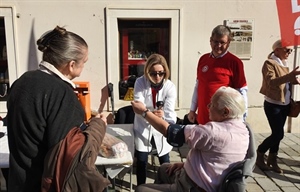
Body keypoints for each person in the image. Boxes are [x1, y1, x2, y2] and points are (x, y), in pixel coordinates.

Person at [6, 26, 107, 191]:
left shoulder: (22, 81)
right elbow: (73, 157)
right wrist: (98, 125)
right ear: (72, 65)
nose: (84, 66)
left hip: (18, 183)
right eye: (84, 62)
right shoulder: (61, 94)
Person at [131, 86, 250, 192]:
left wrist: (144, 112)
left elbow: (170, 131)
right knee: (163, 168)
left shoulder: (212, 132)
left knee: (141, 189)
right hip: (207, 179)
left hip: (192, 187)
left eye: (212, 104)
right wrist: (185, 165)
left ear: (225, 111)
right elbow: (219, 159)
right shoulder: (244, 130)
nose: (208, 107)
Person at [188, 24, 248, 125]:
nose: (218, 45)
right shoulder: (203, 59)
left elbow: (242, 91)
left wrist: (242, 116)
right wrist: (192, 110)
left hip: (222, 119)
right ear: (210, 40)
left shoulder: (235, 62)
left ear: (228, 43)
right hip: (203, 116)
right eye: (216, 41)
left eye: (222, 42)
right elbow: (198, 86)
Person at [256, 39, 300, 173]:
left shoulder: (284, 63)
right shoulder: (269, 63)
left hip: (284, 104)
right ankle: (260, 152)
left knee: (278, 134)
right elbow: (271, 82)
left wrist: (293, 80)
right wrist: (289, 76)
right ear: (277, 50)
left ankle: (272, 159)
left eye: (291, 50)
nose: (289, 52)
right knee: (278, 134)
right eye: (287, 50)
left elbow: (285, 82)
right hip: (273, 104)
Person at [133, 53, 177, 185]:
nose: (157, 77)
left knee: (165, 161)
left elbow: (169, 114)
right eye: (153, 73)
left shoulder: (169, 86)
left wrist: (161, 114)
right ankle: (141, 187)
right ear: (147, 72)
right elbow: (138, 106)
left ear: (165, 72)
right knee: (141, 161)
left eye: (161, 73)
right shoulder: (140, 82)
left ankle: (167, 187)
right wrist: (151, 114)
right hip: (143, 128)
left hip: (160, 129)